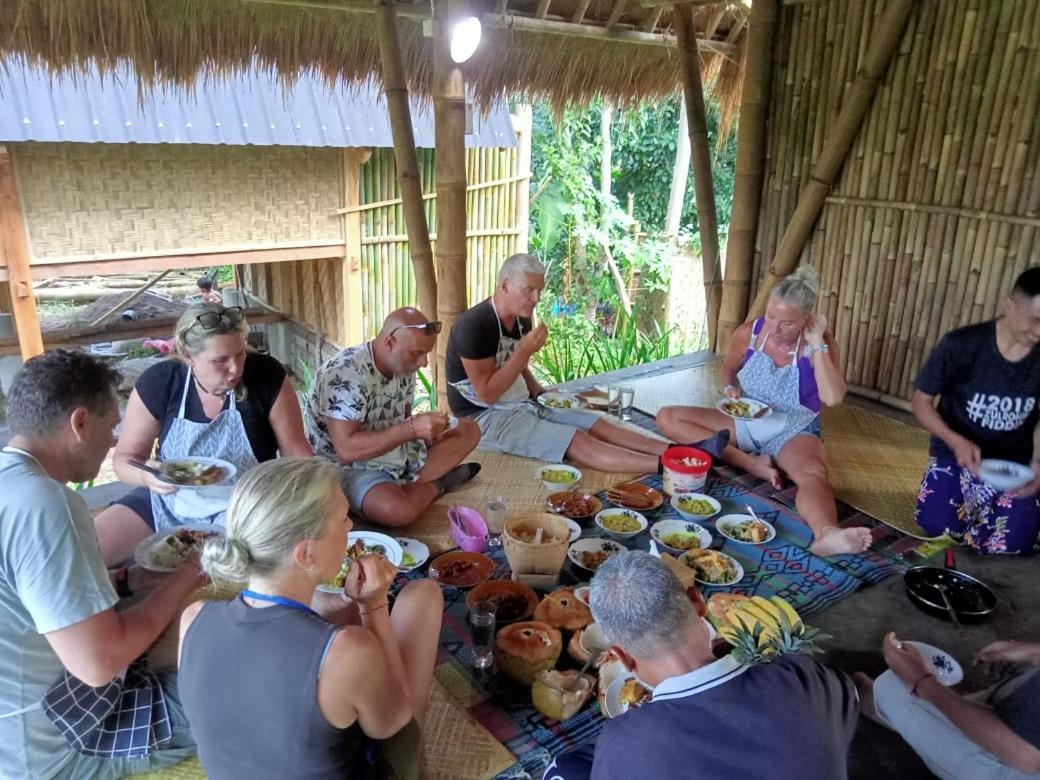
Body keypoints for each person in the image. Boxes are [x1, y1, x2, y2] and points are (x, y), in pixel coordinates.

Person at [0, 350, 201, 778]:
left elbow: (31, 596)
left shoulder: (10, 483)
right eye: (112, 426)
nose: (114, 440)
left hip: (22, 725)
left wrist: (126, 580)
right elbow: (99, 664)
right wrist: (186, 577)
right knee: (233, 684)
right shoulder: (46, 504)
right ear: (79, 423)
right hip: (56, 747)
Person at [179, 457, 442, 779]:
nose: (350, 527)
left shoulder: (194, 617)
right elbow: (393, 723)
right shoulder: (347, 650)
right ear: (305, 554)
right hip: (378, 734)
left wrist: (343, 602)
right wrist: (373, 606)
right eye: (343, 519)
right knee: (423, 596)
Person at [545, 551, 857, 780]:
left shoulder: (627, 740)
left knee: (564, 769)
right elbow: (849, 697)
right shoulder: (804, 678)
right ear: (698, 603)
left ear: (622, 656)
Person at [656, 266, 871, 556]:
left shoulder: (818, 344)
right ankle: (751, 463)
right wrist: (731, 390)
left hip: (793, 428)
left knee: (813, 473)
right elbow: (729, 368)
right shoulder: (750, 333)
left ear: (807, 320)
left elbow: (832, 397)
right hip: (744, 417)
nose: (774, 327)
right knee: (668, 417)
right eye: (770, 316)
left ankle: (827, 534)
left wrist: (818, 341)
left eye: (786, 323)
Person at [93, 303, 312, 566]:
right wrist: (146, 476)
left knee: (220, 568)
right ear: (188, 356)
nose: (235, 369)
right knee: (89, 553)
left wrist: (315, 497)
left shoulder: (266, 375)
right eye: (220, 360)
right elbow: (125, 460)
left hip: (244, 503)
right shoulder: (161, 382)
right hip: (168, 497)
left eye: (240, 354)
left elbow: (297, 456)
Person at [445, 253, 668, 473]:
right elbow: (487, 394)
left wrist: (538, 393)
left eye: (539, 290)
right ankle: (669, 466)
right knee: (577, 439)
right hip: (481, 417)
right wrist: (525, 350)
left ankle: (674, 450)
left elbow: (517, 367)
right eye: (529, 290)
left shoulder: (522, 318)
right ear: (505, 286)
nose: (537, 298)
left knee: (596, 424)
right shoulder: (472, 326)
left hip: (521, 402)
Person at [305, 307, 482, 527]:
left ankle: (403, 489)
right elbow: (346, 450)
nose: (424, 363)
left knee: (469, 430)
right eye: (417, 353)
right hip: (349, 467)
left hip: (394, 454)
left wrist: (428, 434)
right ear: (390, 342)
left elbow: (402, 421)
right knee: (398, 511)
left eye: (426, 353)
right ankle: (440, 484)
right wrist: (413, 429)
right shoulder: (347, 373)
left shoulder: (403, 367)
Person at [912, 267, 1040, 554]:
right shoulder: (961, 345)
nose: (1039, 331)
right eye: (1034, 320)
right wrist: (954, 439)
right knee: (936, 525)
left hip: (1013, 465)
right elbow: (921, 402)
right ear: (1009, 305)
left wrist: (1038, 463)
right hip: (957, 457)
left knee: (1013, 544)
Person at [855, 634, 1040, 779]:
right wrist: (1034, 652)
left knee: (890, 686)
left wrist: (920, 681)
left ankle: (880, 705)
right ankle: (950, 713)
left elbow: (1025, 756)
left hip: (1017, 761)